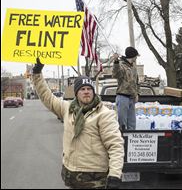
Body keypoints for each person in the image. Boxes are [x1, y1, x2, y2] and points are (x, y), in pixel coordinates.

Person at [31, 58, 124, 189]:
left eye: (89, 89)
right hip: (72, 176)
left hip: (95, 179)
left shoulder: (104, 114)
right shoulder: (68, 109)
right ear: (76, 93)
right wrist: (37, 73)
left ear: (93, 91)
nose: (86, 91)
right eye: (82, 89)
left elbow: (115, 146)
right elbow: (47, 97)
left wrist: (115, 175)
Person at [111, 46, 140, 130]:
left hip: (132, 98)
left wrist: (137, 93)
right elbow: (115, 74)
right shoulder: (121, 65)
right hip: (122, 97)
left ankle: (131, 141)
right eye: (136, 56)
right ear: (133, 56)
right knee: (122, 123)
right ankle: (122, 141)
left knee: (132, 124)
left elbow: (137, 82)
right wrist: (116, 61)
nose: (136, 58)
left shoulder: (133, 67)